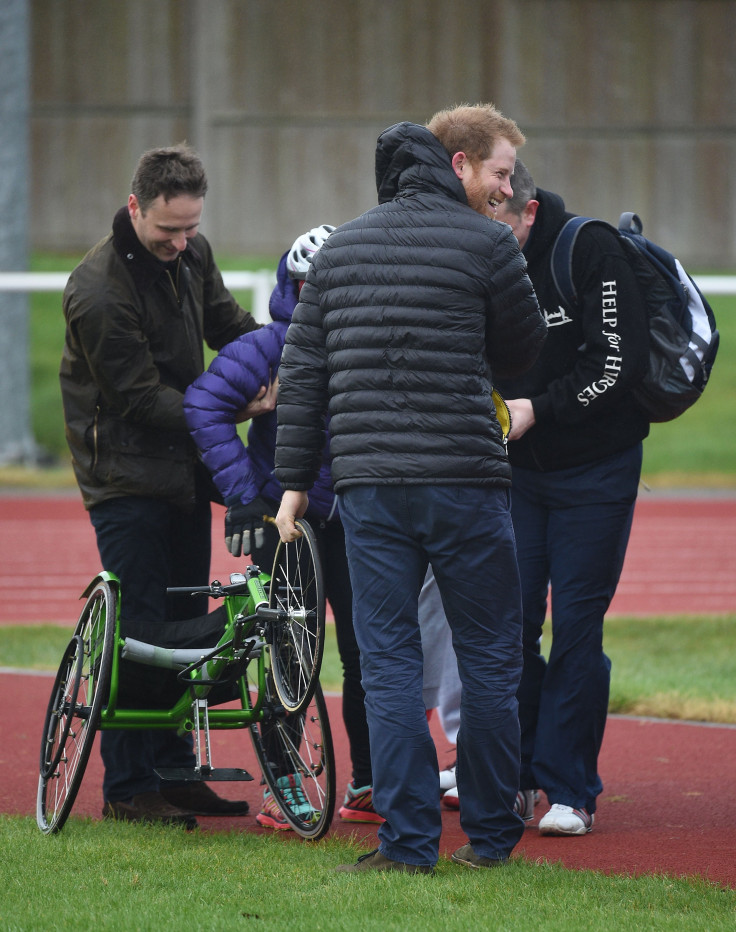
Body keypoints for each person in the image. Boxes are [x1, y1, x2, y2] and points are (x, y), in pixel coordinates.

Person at [273, 103, 547, 873]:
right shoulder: (488, 243)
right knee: (490, 655)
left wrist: (293, 482)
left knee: (387, 660)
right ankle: (491, 838)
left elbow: (302, 375)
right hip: (465, 478)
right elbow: (524, 345)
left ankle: (406, 844)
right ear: (448, 165)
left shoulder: (340, 251)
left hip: (370, 486)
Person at [59, 143, 273, 827]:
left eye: (190, 228)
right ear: (134, 207)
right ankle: (128, 786)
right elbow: (137, 399)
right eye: (166, 231)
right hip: (123, 476)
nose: (181, 243)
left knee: (184, 617)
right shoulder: (96, 292)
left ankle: (176, 769)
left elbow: (227, 327)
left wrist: (278, 356)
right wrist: (231, 408)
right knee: (140, 628)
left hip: (182, 463)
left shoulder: (193, 253)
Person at [183, 224, 383, 829]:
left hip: (361, 518)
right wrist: (245, 496)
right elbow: (202, 404)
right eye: (307, 285)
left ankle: (372, 782)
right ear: (290, 285)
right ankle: (284, 783)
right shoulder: (268, 346)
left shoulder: (375, 340)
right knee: (290, 654)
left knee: (370, 653)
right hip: (285, 521)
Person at [494, 160, 650, 835]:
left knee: (578, 628)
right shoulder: (486, 256)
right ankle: (519, 775)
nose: (482, 237)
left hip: (597, 470)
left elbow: (616, 364)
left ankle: (569, 789)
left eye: (493, 224)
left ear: (526, 213)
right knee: (513, 624)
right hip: (519, 474)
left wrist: (538, 409)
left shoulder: (588, 248)